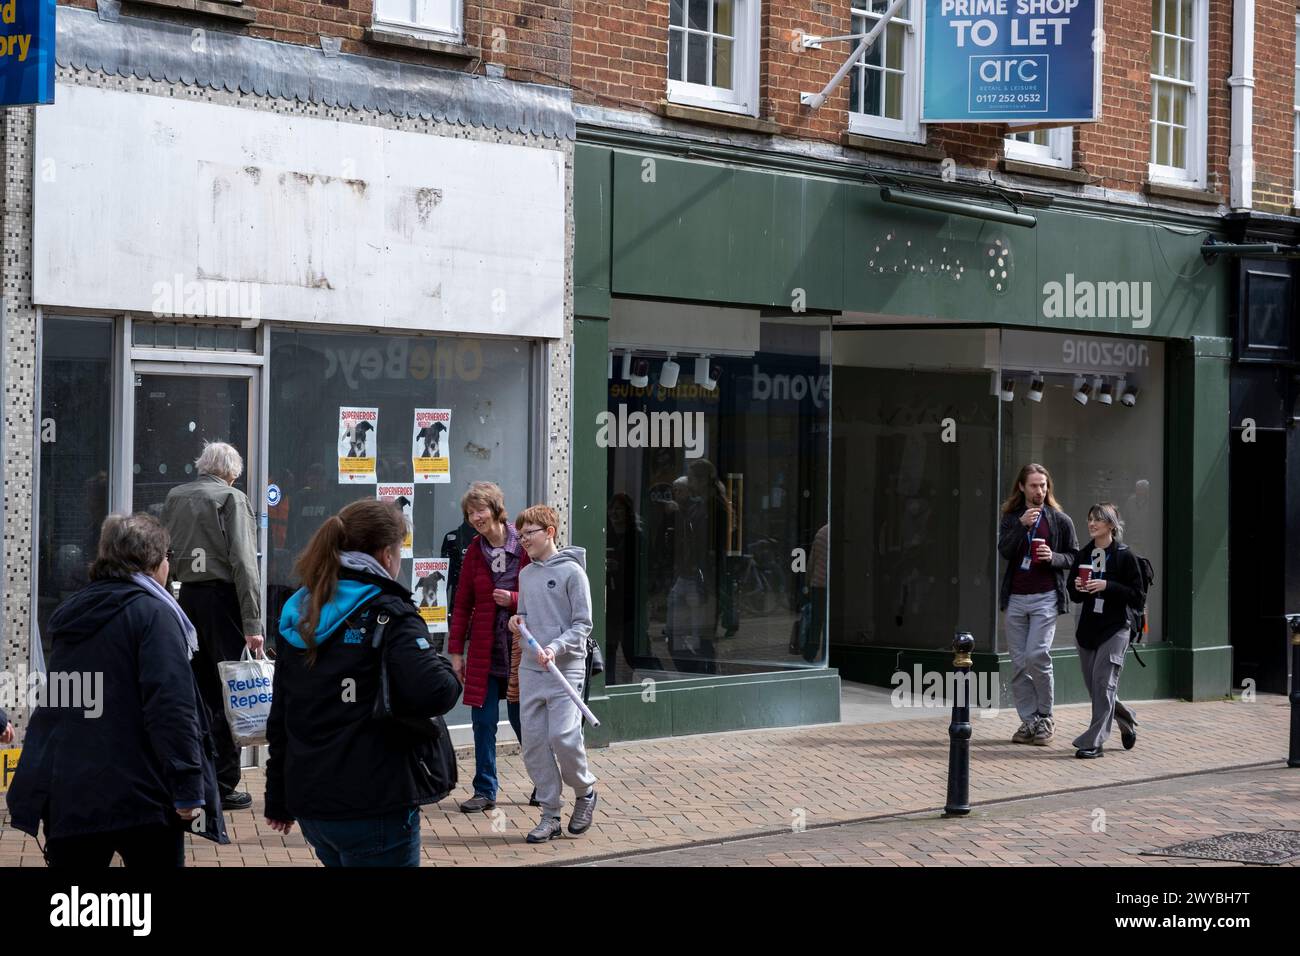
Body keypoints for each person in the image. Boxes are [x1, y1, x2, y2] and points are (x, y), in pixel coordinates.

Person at [6, 514, 228, 867]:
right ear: (153, 561)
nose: (169, 565)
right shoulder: (154, 614)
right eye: (168, 556)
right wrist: (188, 788)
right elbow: (171, 706)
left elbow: (61, 704)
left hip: (74, 791)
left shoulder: (74, 613)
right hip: (143, 796)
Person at [266, 498, 462, 867]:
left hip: (313, 801)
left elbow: (282, 713)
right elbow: (436, 691)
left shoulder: (304, 607)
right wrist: (442, 664)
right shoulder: (391, 612)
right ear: (386, 554)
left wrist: (278, 795)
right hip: (374, 801)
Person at [162, 440, 263, 810]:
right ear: (231, 471)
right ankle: (223, 781)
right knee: (229, 689)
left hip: (186, 596)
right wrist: (253, 621)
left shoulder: (175, 497)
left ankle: (197, 774)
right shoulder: (231, 499)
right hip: (224, 600)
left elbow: (165, 552)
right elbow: (244, 563)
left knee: (198, 689)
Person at [508, 505, 599, 843]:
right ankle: (549, 815)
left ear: (549, 532)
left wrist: (556, 647)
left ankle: (585, 790)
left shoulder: (573, 573)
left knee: (562, 736)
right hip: (532, 669)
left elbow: (583, 625)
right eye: (520, 536)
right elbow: (525, 616)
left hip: (565, 668)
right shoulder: (526, 574)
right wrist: (516, 622)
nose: (523, 541)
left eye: (528, 533)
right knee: (533, 745)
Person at [447, 482, 530, 813]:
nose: (475, 517)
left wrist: (512, 599)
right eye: (470, 513)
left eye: (480, 510)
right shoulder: (474, 553)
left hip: (519, 648)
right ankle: (484, 789)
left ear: (496, 509)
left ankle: (544, 782)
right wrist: (456, 652)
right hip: (483, 648)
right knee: (483, 721)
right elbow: (462, 603)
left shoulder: (524, 546)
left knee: (524, 719)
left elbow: (546, 599)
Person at [997, 463, 1079, 747]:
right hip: (1017, 599)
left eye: (1043, 485)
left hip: (1046, 597)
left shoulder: (1059, 520)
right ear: (1022, 487)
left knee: (1037, 656)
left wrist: (1052, 556)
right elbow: (1004, 550)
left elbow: (1074, 557)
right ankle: (1029, 721)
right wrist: (1021, 527)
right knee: (1018, 664)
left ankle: (1046, 717)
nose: (1039, 491)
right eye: (1033, 485)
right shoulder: (1011, 518)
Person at [1067, 503, 1145, 758]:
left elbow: (1137, 597)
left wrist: (1107, 586)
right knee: (1098, 688)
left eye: (1098, 519)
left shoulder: (1125, 556)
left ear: (1111, 525)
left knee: (1103, 685)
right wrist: (1078, 586)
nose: (1092, 523)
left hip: (1116, 628)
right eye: (1090, 519)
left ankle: (1093, 742)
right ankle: (1126, 719)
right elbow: (1074, 595)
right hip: (1088, 630)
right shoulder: (1083, 554)